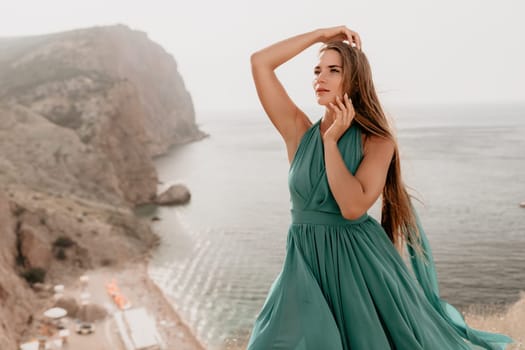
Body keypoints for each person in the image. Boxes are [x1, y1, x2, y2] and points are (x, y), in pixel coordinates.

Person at [247, 25, 514, 350]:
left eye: (334, 71)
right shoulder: (299, 131)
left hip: (358, 265)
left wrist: (332, 144)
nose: (321, 78)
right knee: (267, 341)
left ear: (354, 80)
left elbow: (352, 207)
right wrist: (320, 35)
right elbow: (260, 62)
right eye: (317, 71)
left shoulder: (376, 140)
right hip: (304, 260)